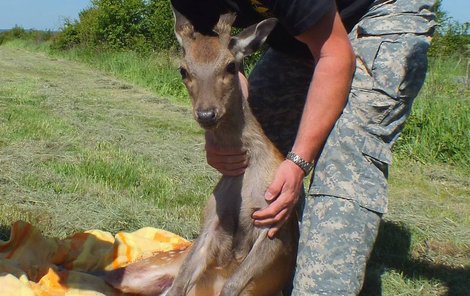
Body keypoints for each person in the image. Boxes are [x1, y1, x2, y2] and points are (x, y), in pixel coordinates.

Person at [171, 0, 436, 294]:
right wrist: (218, 126)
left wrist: (298, 161)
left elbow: (333, 53)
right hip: (298, 36)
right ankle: (281, 256)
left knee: (344, 161)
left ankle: (323, 283)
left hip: (377, 13)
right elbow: (216, 58)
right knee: (259, 135)